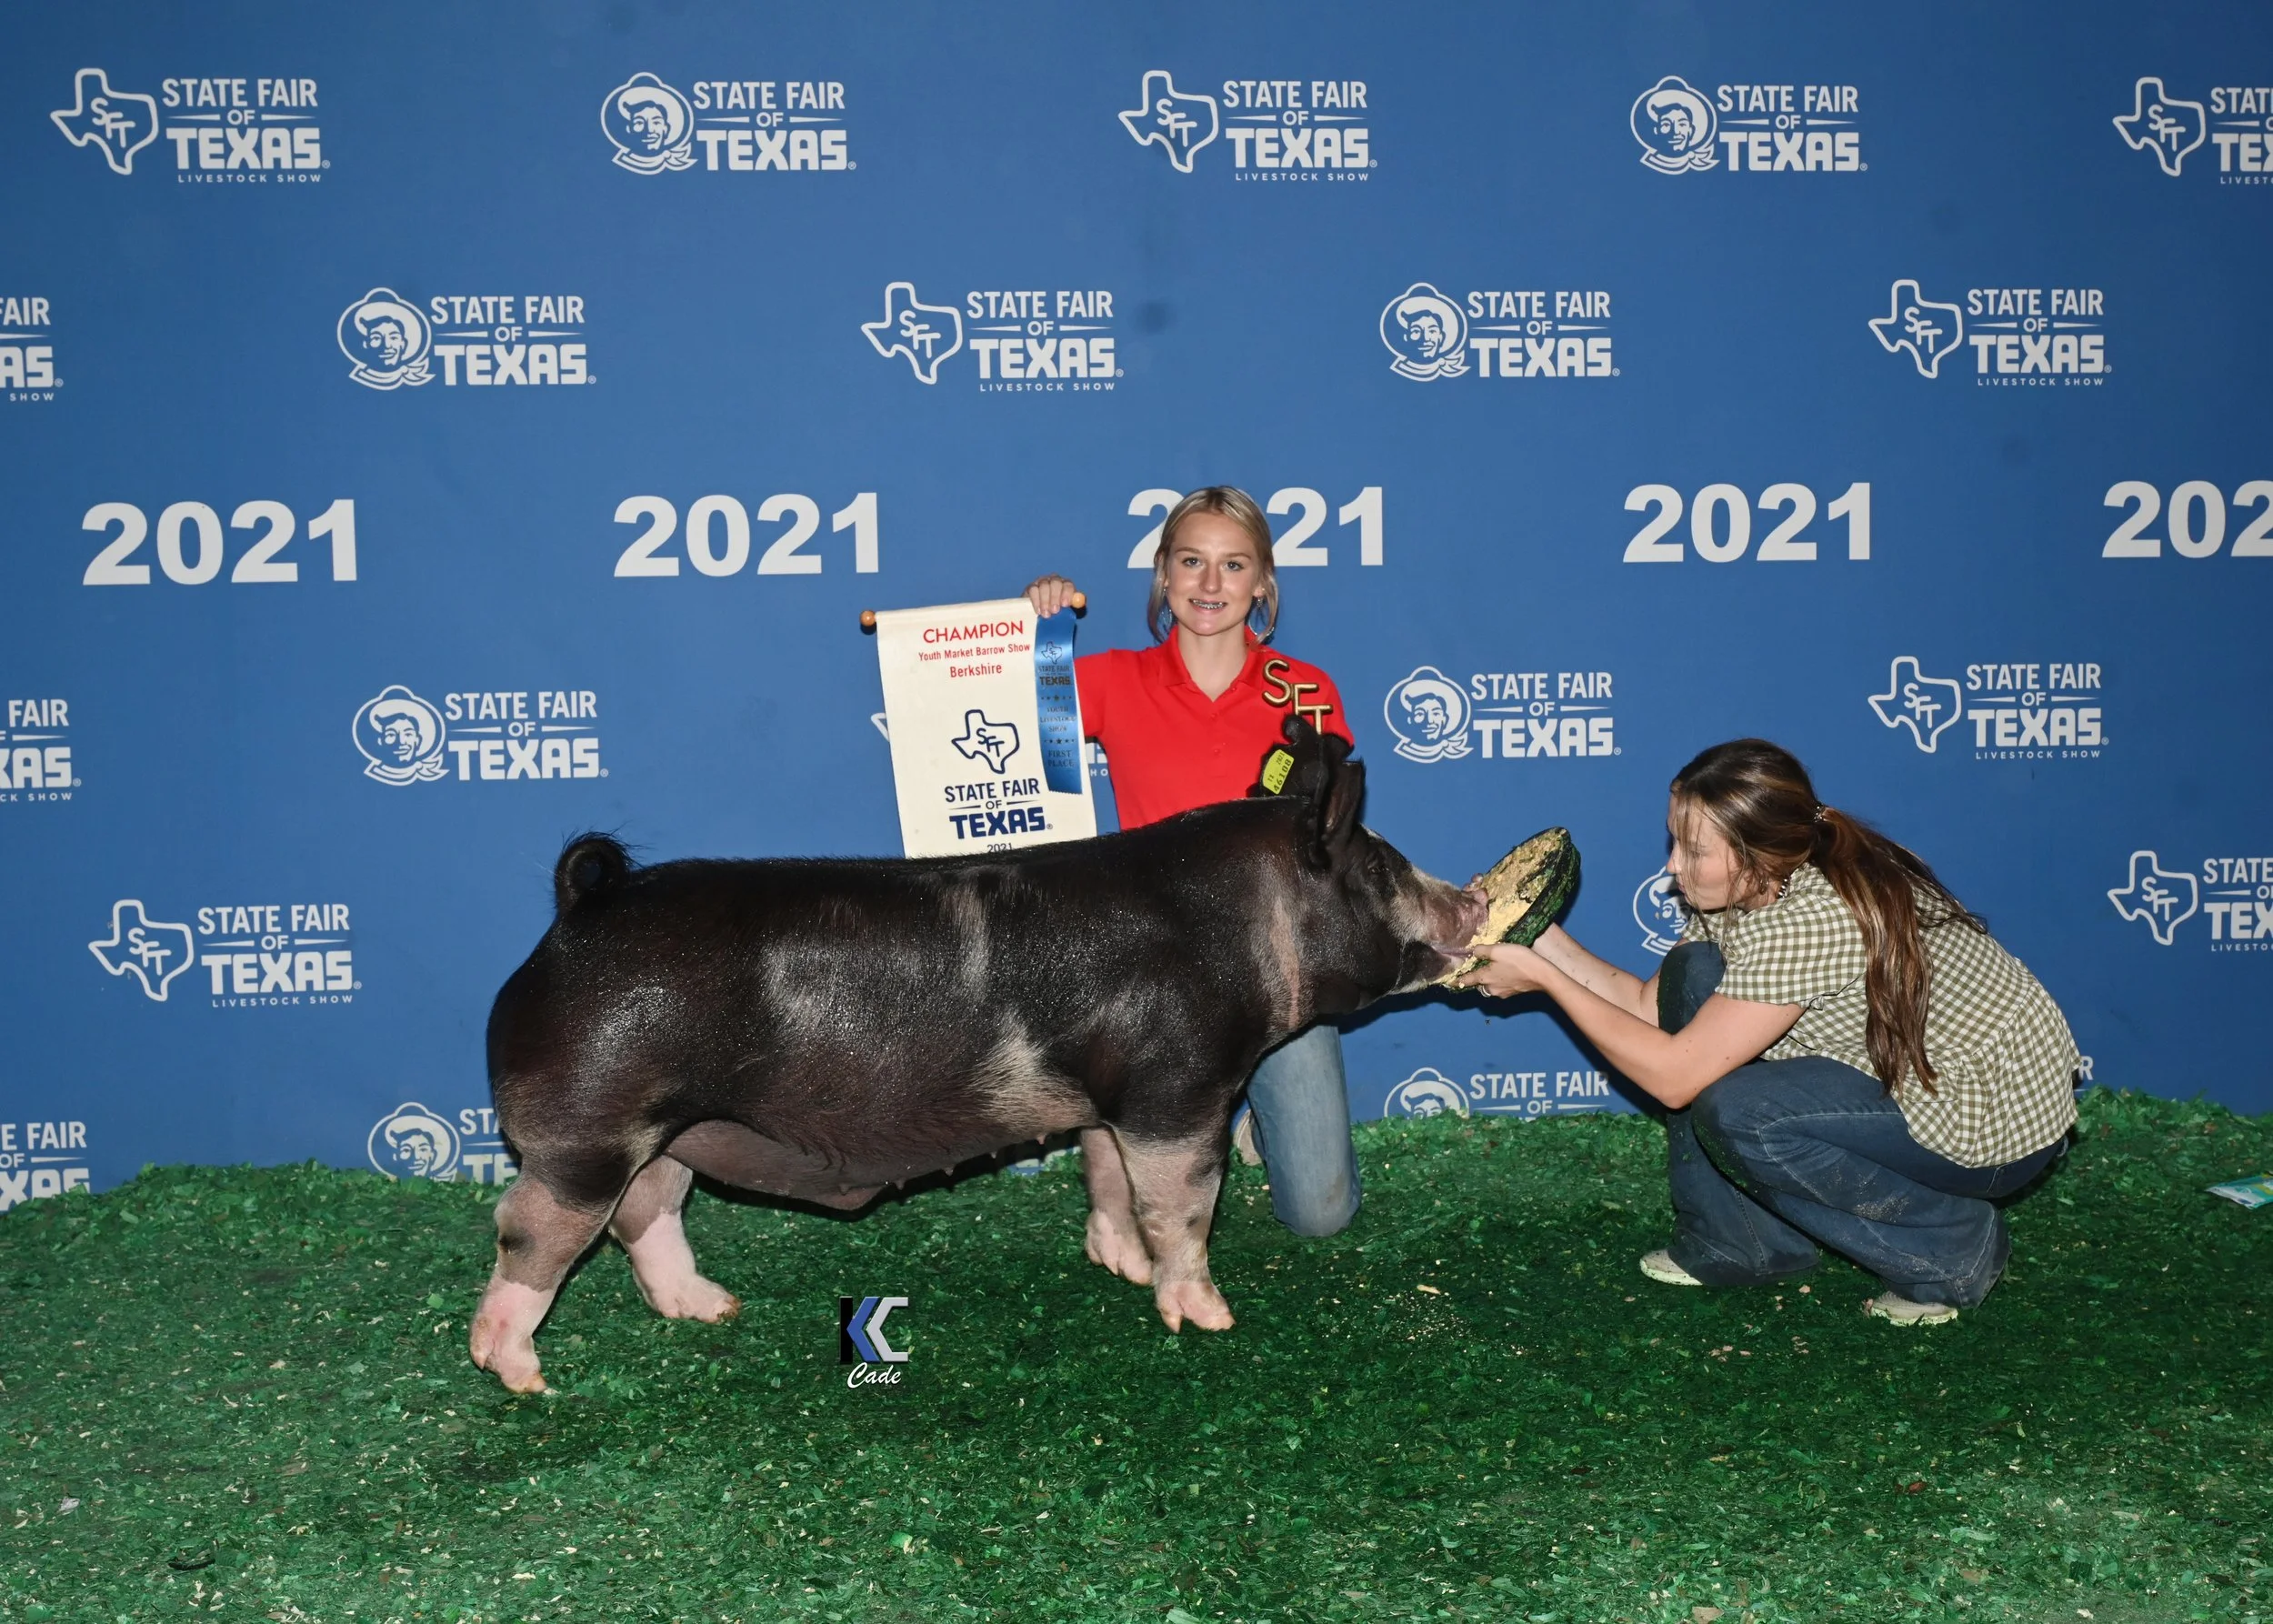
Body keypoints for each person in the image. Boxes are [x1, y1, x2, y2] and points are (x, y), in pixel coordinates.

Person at [1456, 738, 2078, 1324]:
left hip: (1988, 1125)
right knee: (1691, 973)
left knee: (1744, 1113)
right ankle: (1744, 1243)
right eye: (1674, 841)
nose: (1674, 867)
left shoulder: (1807, 917)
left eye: (1694, 851)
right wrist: (1536, 933)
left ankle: (1949, 1249)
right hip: (1918, 1075)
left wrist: (1546, 982)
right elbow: (1649, 1007)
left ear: (1755, 859)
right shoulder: (1758, 885)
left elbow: (1674, 1078)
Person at [1023, 486, 1363, 1242]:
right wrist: (1029, 632)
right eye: (1192, 563)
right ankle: (1122, 1169)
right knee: (1141, 1215)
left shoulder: (1305, 691)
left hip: (1280, 968)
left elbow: (1327, 845)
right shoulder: (1112, 679)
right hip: (1155, 972)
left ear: (1263, 584)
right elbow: (990, 723)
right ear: (1163, 576)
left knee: (1320, 1216)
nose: (1211, 586)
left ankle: (1252, 1127)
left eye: (1233, 565)